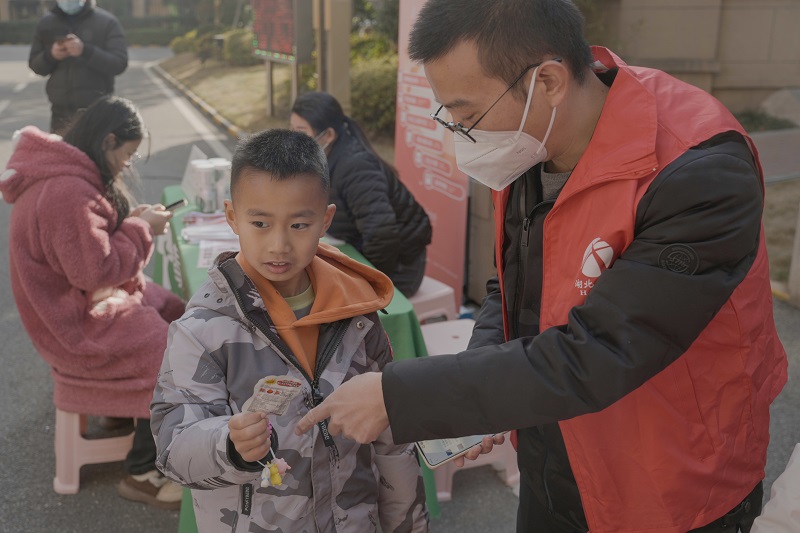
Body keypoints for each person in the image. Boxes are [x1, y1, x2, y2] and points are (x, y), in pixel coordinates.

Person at [295, 1, 788, 532]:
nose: (460, 134)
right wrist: (475, 398)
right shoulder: (532, 143)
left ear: (547, 81)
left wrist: (404, 395)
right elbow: (509, 285)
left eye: (468, 115)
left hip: (670, 477)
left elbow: (602, 352)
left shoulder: (699, 171)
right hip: (556, 448)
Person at [150, 129, 429, 533]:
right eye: (260, 223)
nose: (279, 245)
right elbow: (173, 447)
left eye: (299, 225)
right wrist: (227, 444)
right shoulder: (202, 330)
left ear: (325, 220)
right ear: (231, 217)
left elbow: (392, 442)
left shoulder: (358, 316)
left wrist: (408, 526)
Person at [1, 96, 184, 508]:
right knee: (172, 349)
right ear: (108, 141)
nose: (128, 164)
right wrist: (141, 229)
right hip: (74, 325)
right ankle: (142, 471)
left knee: (175, 310)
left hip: (75, 309)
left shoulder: (63, 174)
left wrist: (131, 222)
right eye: (128, 153)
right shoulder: (66, 190)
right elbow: (95, 271)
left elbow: (87, 251)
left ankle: (120, 411)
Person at [290, 91, 432, 297]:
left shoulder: (356, 167)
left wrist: (368, 279)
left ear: (328, 135)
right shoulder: (321, 158)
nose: (295, 138)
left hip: (397, 269)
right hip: (359, 251)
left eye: (301, 131)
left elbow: (382, 235)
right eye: (292, 129)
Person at [29, 0, 128, 134]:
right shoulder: (46, 23)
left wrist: (86, 51)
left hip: (97, 113)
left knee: (92, 155)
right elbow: (35, 66)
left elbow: (119, 63)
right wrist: (51, 55)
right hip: (60, 115)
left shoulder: (107, 22)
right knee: (61, 154)